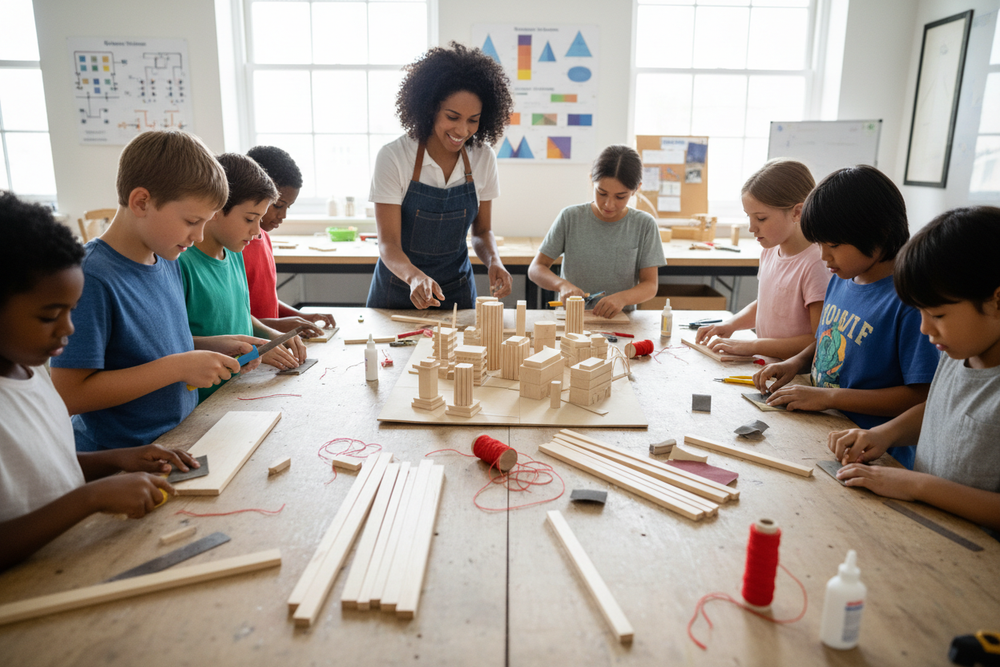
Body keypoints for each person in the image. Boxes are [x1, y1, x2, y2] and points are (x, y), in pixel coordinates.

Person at [0, 192, 199, 570]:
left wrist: (118, 460)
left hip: (66, 560)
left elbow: (40, 470)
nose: (68, 330)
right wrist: (89, 499)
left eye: (71, 311)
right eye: (48, 317)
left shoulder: (28, 369)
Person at [50, 130, 262, 451]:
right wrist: (179, 367)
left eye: (205, 222)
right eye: (192, 220)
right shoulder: (90, 277)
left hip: (176, 441)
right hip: (121, 459)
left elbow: (145, 347)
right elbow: (69, 394)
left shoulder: (166, 256)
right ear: (141, 202)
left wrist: (211, 347)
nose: (198, 235)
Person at [753, 165, 939, 469]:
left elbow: (920, 396)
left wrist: (830, 398)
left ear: (879, 233)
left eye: (834, 245)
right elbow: (832, 335)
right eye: (820, 245)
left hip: (872, 451)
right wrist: (796, 362)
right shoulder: (843, 275)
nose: (825, 256)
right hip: (825, 425)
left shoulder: (908, 299)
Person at [829, 206, 1000, 536]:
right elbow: (942, 410)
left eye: (937, 315)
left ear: (996, 301)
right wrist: (885, 434)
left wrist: (917, 485)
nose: (924, 329)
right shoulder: (959, 350)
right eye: (920, 312)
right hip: (928, 532)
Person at [367, 42, 514, 310]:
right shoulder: (394, 157)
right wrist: (415, 278)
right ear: (430, 107)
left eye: (473, 119)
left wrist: (494, 261)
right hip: (398, 289)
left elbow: (482, 231)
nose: (462, 129)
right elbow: (388, 244)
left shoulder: (483, 157)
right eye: (452, 116)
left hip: (455, 290)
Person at [178, 153, 306, 402]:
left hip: (239, 388)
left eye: (260, 219)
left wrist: (270, 335)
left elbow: (238, 311)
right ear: (215, 209)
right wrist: (250, 348)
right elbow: (175, 342)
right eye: (249, 219)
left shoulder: (235, 250)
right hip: (203, 399)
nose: (257, 231)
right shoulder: (182, 263)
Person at [695, 159, 828, 359]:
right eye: (748, 217)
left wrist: (753, 346)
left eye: (761, 218)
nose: (751, 228)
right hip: (768, 364)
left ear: (797, 212)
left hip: (796, 376)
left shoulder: (817, 262)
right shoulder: (770, 250)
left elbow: (818, 340)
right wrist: (730, 324)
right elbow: (768, 303)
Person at [528, 145, 664, 318]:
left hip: (620, 321)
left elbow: (650, 285)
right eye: (601, 193)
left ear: (636, 189)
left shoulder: (644, 225)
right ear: (592, 180)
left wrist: (622, 298)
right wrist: (561, 285)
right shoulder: (571, 217)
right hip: (572, 320)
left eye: (620, 197)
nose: (608, 204)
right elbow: (536, 268)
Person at [243, 145, 335, 335]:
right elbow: (236, 318)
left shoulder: (265, 238)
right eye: (278, 205)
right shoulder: (237, 245)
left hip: (272, 343)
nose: (283, 216)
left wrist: (302, 317)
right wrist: (280, 326)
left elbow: (266, 300)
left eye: (288, 207)